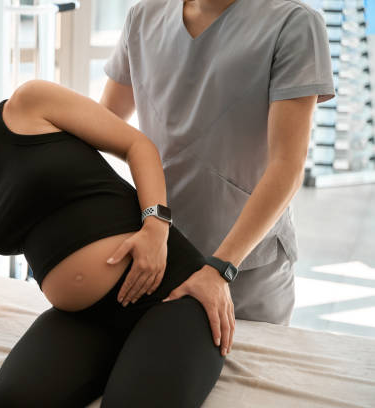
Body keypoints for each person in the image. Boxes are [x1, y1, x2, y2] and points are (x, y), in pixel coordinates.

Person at [0, 39, 224, 407]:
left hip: (169, 293)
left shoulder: (30, 104)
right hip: (87, 321)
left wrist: (156, 228)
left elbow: (137, 146)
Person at [100, 0, 335, 353]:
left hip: (245, 269)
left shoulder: (294, 23)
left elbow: (287, 164)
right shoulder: (144, 16)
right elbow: (104, 123)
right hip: (159, 256)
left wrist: (221, 268)